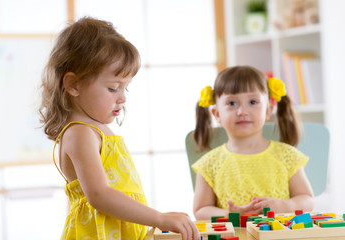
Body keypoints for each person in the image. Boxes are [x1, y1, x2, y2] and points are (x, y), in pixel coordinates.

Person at [39, 17, 199, 240]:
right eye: (113, 88)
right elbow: (99, 195)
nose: (123, 98)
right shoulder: (80, 132)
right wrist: (159, 218)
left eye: (126, 88)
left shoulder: (95, 129)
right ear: (73, 84)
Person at [192, 65, 314, 220]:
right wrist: (230, 215)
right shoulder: (209, 164)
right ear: (217, 114)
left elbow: (307, 199)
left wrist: (285, 206)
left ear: (268, 110)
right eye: (231, 103)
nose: (242, 111)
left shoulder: (287, 156)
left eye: (253, 101)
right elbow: (201, 211)